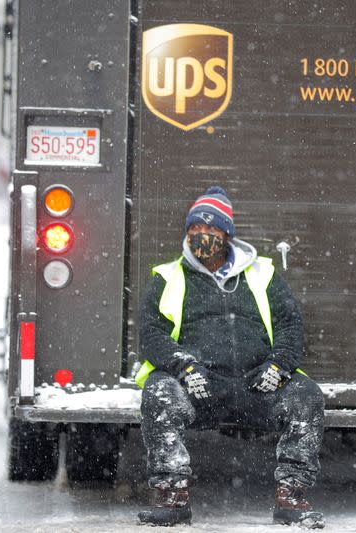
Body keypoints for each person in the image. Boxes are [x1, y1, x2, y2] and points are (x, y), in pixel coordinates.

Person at [135, 186, 325, 528]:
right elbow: (150, 333)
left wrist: (279, 365)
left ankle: (292, 497)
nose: (201, 236)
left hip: (259, 386)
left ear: (226, 234)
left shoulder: (263, 275)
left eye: (209, 230)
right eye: (194, 229)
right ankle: (171, 496)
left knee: (306, 396)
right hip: (199, 387)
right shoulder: (168, 277)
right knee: (159, 391)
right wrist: (184, 366)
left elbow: (290, 325)